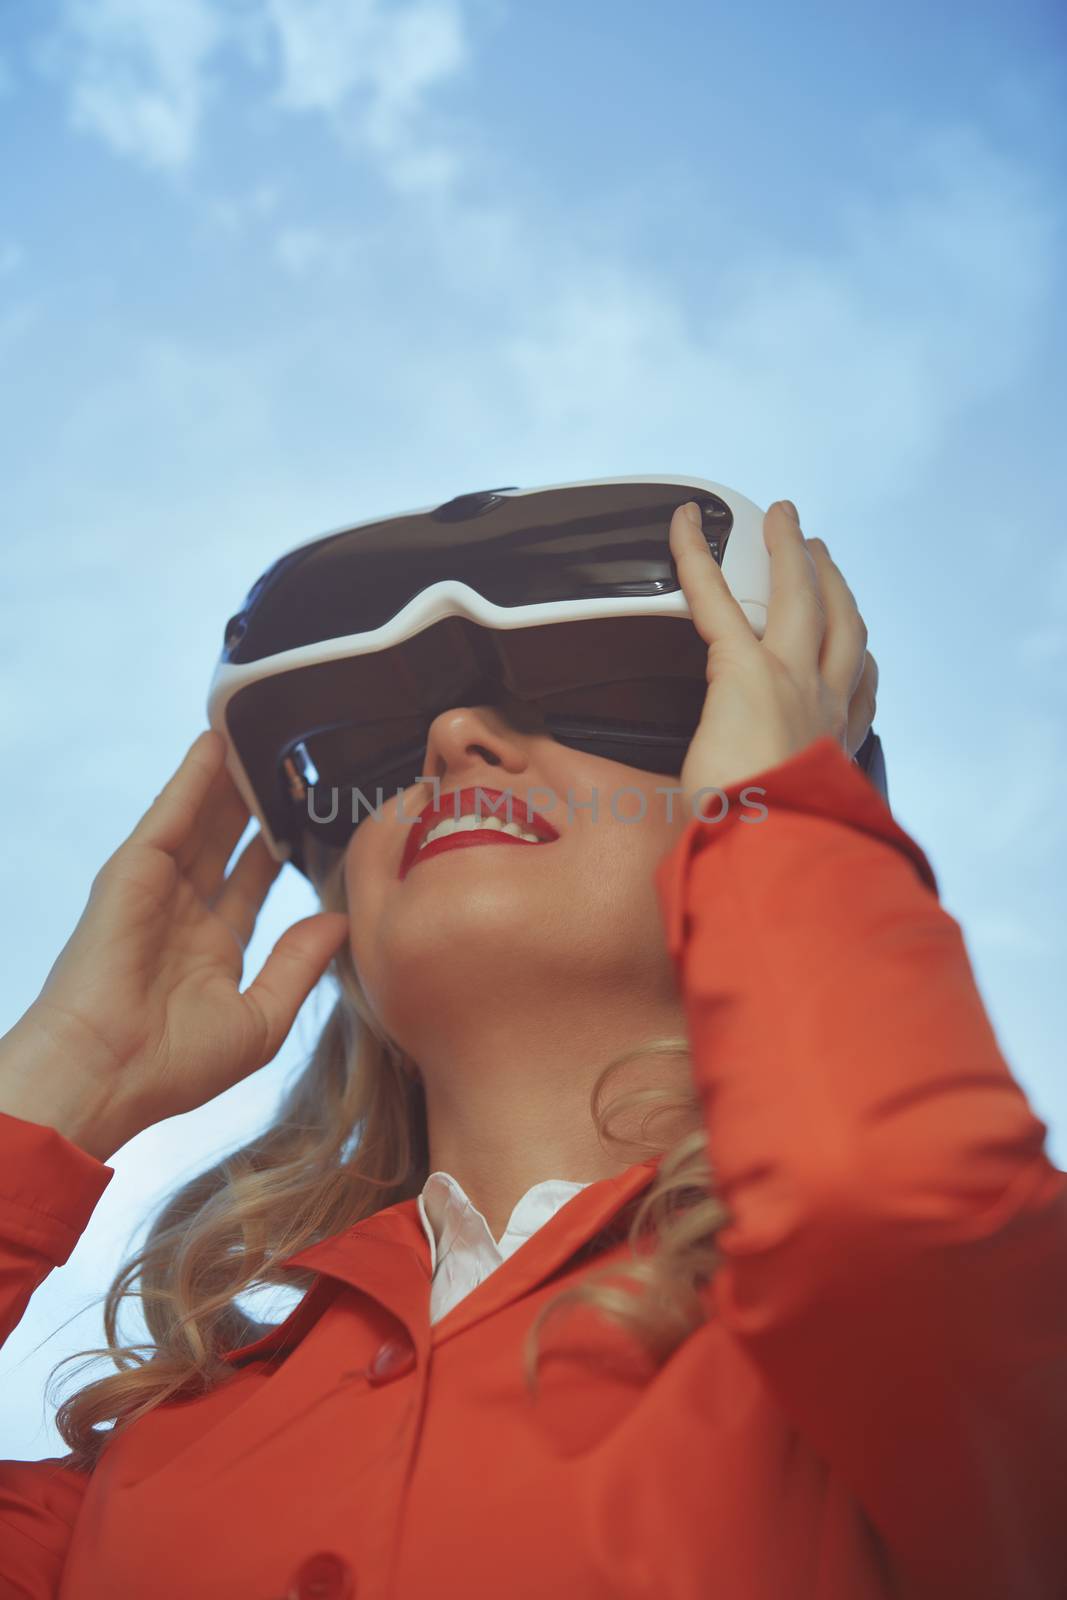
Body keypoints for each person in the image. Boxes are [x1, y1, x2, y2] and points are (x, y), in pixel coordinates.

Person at [0, 501, 1063, 1599]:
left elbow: (891, 1212)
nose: (450, 737)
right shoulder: (133, 1478)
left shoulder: (944, 1350)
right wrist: (59, 1078)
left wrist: (776, 808)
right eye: (375, 743)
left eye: (610, 697)